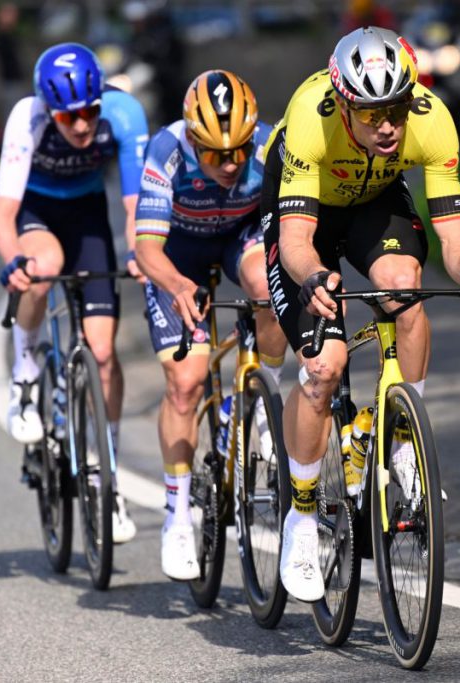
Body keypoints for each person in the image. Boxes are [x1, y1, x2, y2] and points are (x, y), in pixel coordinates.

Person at [261, 27, 460, 601]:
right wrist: (314, 276)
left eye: (396, 109)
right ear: (345, 104)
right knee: (324, 367)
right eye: (372, 115)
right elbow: (296, 242)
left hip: (375, 199)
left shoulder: (431, 119)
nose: (389, 126)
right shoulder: (311, 117)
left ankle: (402, 438)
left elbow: (454, 234)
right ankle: (301, 517)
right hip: (305, 212)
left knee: (404, 288)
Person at [0, 42, 149, 544]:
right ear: (49, 109)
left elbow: (135, 207)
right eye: (68, 116)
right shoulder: (27, 117)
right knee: (43, 269)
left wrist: (140, 252)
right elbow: (1, 214)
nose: (81, 125)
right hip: (35, 210)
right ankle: (25, 372)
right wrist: (13, 262)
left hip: (87, 215)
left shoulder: (123, 113)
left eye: (89, 112)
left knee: (102, 354)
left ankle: (109, 478)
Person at [134, 70, 288, 580]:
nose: (230, 164)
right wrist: (178, 286)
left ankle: (260, 400)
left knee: (270, 290)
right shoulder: (167, 149)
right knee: (185, 383)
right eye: (215, 155)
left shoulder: (269, 145)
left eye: (239, 151)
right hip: (179, 253)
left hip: (240, 236)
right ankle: (177, 516)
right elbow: (146, 249)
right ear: (193, 141)